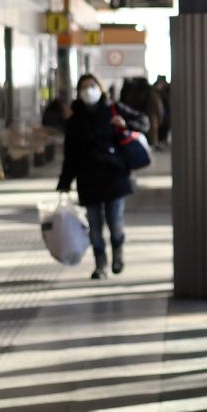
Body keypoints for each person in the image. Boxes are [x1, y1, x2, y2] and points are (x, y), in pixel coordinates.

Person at [57, 75, 138, 279]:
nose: (88, 90)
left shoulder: (113, 108)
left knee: (115, 221)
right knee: (94, 227)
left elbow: (143, 121)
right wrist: (64, 182)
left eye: (92, 86)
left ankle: (118, 253)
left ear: (100, 88)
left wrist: (124, 124)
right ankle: (100, 264)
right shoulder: (75, 120)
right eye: (84, 87)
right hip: (88, 179)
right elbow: (70, 155)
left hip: (115, 176)